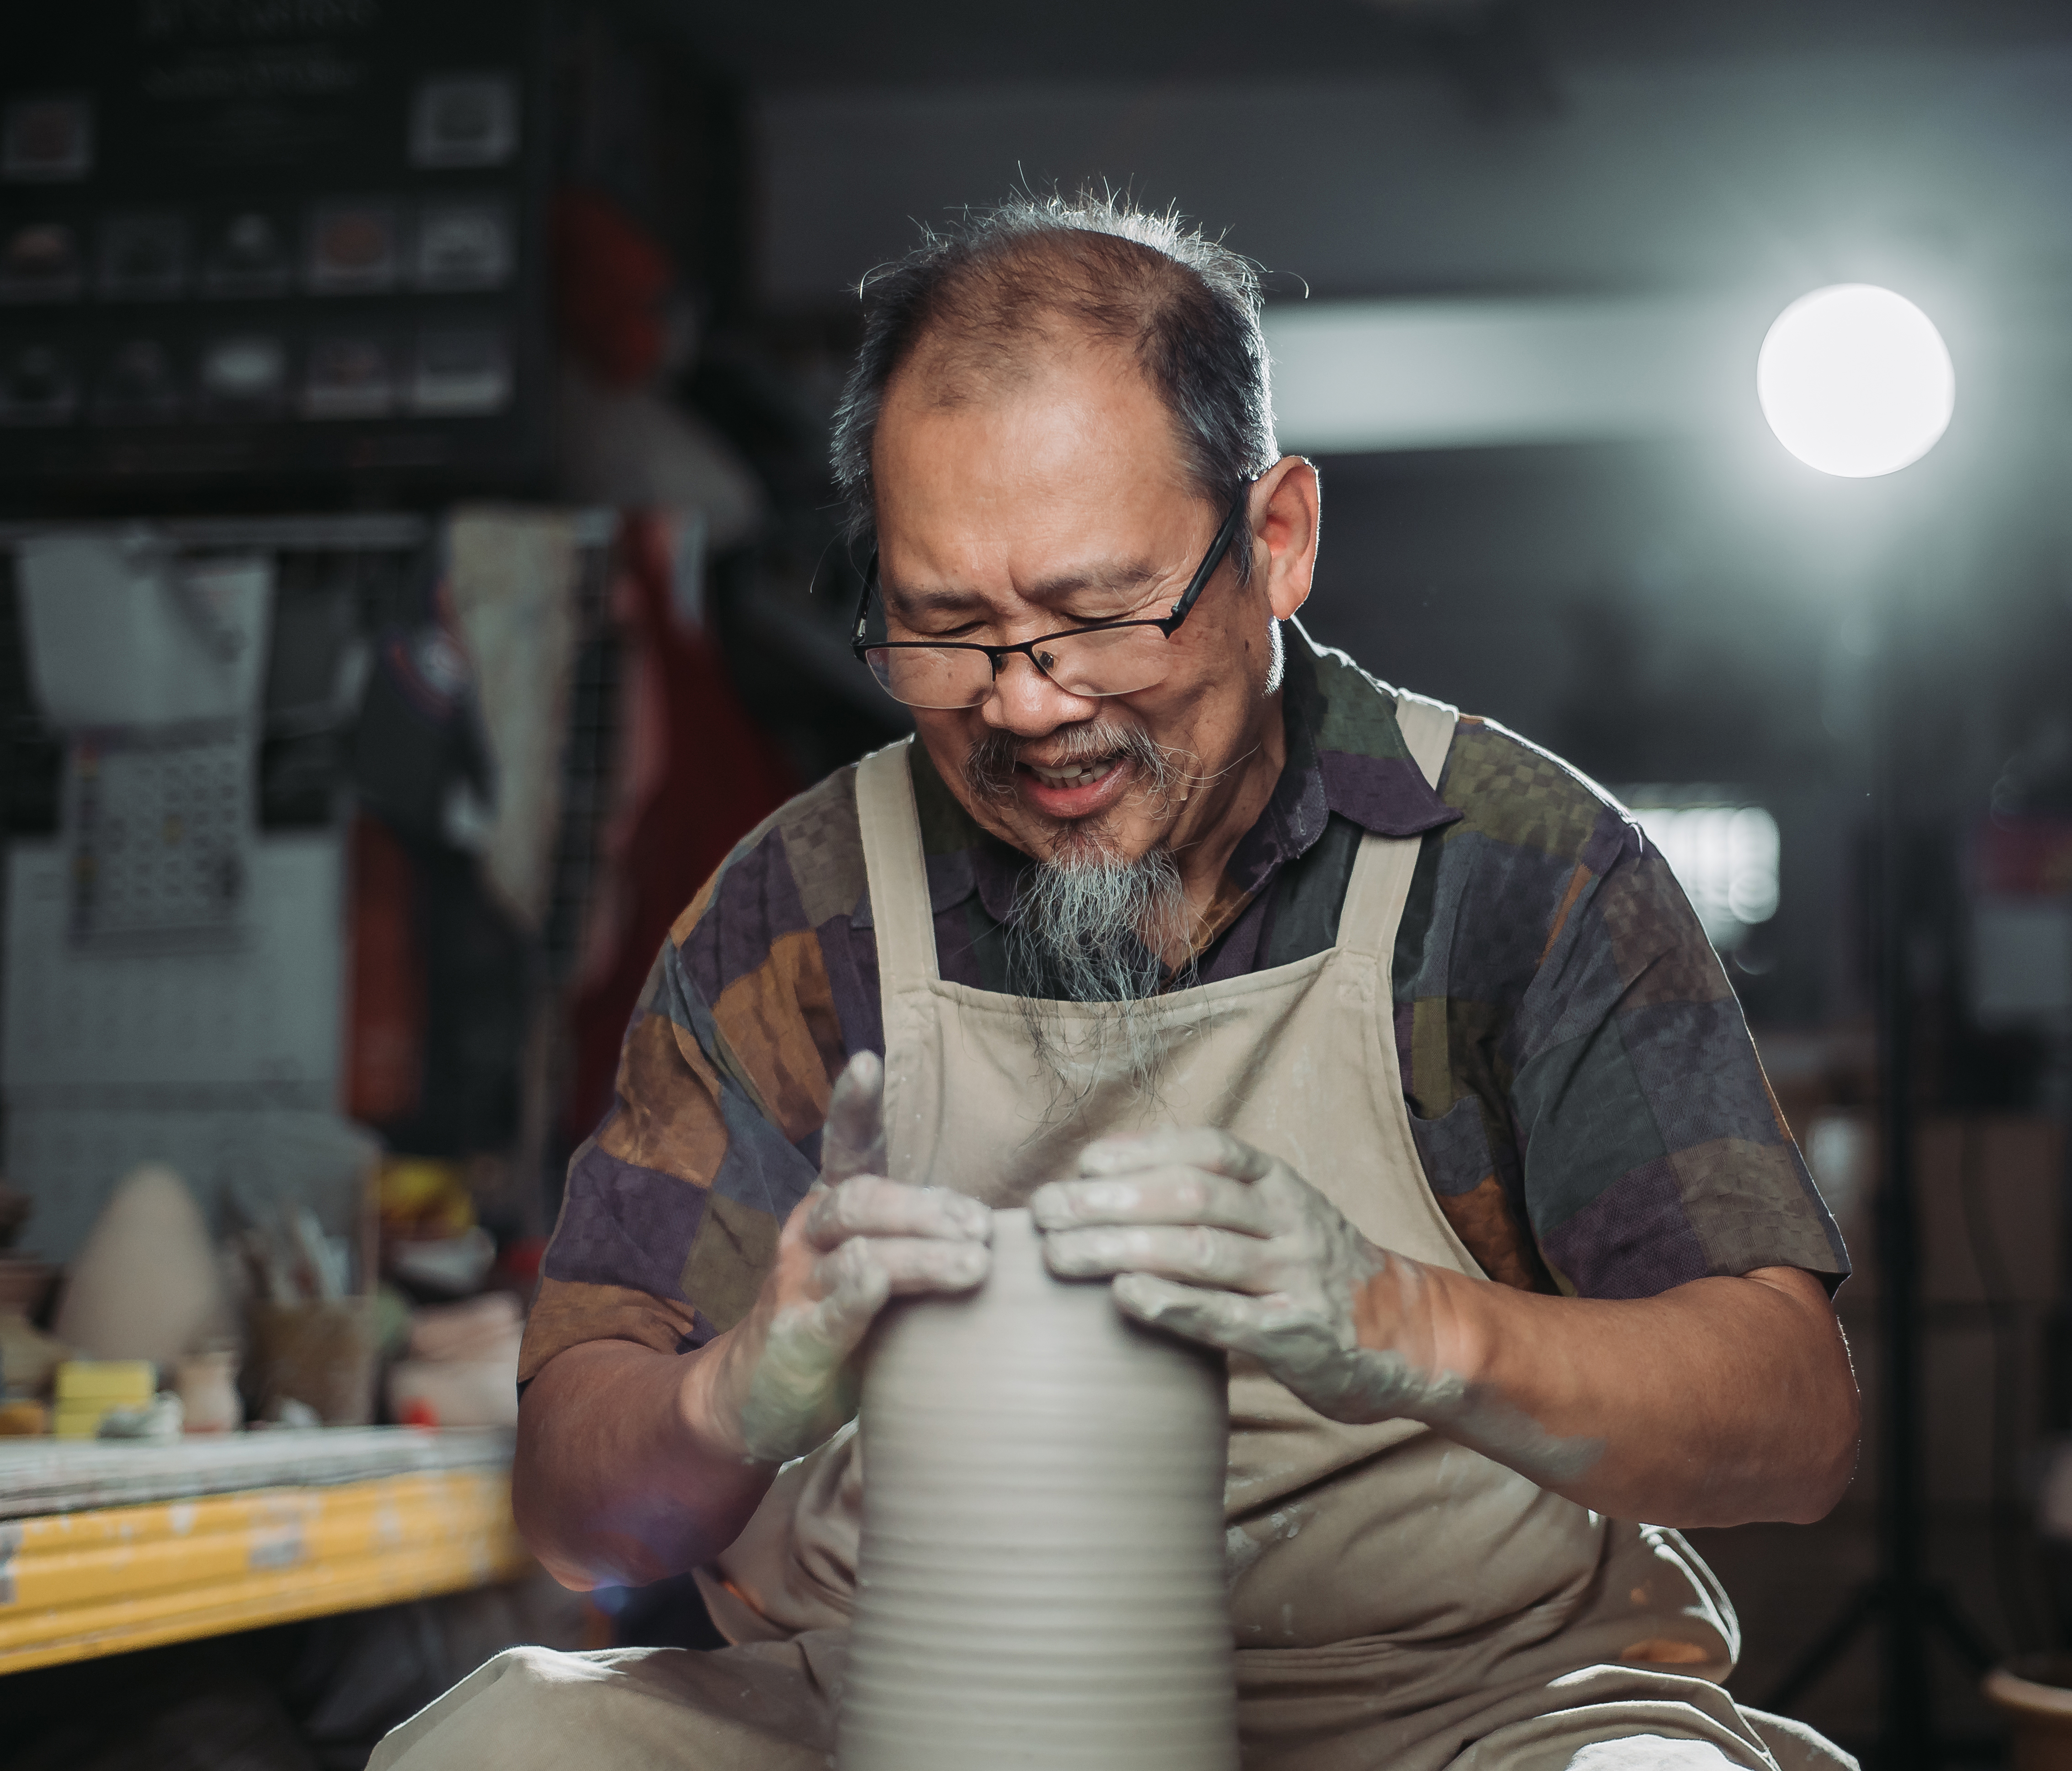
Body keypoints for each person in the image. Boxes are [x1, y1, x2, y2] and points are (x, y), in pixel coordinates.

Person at [372, 192, 1861, 1771]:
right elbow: (571, 1510)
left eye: (1095, 616)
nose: (1028, 705)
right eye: (947, 628)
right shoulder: (799, 911)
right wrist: (741, 1390)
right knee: (500, 1748)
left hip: (1447, 1714)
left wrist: (1402, 1319)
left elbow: (1795, 1419)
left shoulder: (1514, 871)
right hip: (905, 1699)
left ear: (1275, 540)